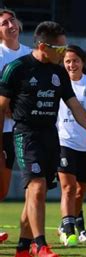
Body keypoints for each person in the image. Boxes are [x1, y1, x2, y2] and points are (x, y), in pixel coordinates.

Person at [0, 21, 86, 257]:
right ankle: (41, 246)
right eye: (60, 47)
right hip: (26, 135)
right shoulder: (17, 69)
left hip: (50, 137)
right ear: (44, 46)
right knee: (36, 188)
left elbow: (74, 105)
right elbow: (1, 108)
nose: (64, 52)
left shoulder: (58, 73)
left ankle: (22, 253)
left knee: (37, 193)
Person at [56, 45, 86, 246]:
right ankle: (69, 228)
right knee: (68, 188)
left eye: (75, 60)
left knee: (81, 191)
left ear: (82, 62)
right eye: (67, 61)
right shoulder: (58, 84)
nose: (71, 65)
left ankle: (75, 223)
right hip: (64, 141)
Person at [0, 8, 31, 244]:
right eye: (3, 23)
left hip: (20, 129)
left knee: (2, 188)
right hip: (1, 127)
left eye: (12, 20)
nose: (10, 25)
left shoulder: (30, 55)